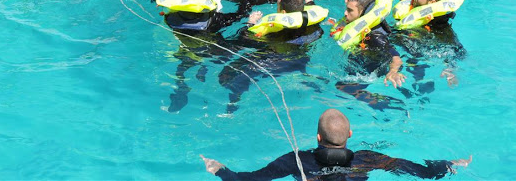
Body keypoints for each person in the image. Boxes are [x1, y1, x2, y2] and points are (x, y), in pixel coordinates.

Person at [201, 108, 473, 180]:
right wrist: (448, 164)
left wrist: (221, 169)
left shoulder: (295, 160)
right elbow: (419, 172)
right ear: (350, 134)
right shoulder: (367, 158)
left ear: (318, 138)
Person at [218, 0, 328, 113]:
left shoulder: (272, 32)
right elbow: (312, 8)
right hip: (302, 60)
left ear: (282, 13)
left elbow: (243, 41)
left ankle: (232, 104)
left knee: (227, 75)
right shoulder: (313, 25)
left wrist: (250, 24)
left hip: (275, 63)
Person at [158, 0, 264, 112]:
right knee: (243, 38)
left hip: (186, 53)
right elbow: (240, 14)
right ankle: (251, 23)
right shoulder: (213, 20)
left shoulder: (170, 18)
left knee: (181, 74)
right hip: (213, 52)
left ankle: (181, 94)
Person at [331, 0, 407, 111]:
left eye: (349, 10)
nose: (345, 13)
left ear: (362, 14)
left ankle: (382, 105)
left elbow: (396, 58)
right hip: (362, 60)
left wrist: (393, 71)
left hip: (373, 69)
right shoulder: (361, 26)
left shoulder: (375, 37)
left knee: (342, 87)